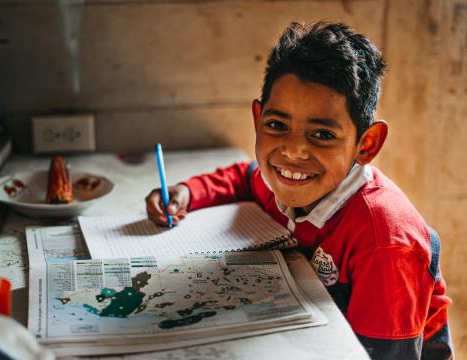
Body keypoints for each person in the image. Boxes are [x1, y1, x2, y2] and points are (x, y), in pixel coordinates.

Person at [146, 21, 453, 359]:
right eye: (277, 125)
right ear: (257, 118)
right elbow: (243, 177)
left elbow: (383, 355)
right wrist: (187, 192)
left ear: (366, 144)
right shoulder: (284, 179)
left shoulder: (384, 243)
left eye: (322, 134)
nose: (292, 152)